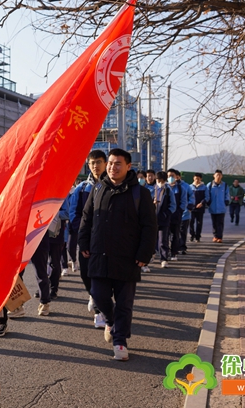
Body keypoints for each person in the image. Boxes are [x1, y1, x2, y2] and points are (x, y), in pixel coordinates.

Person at [78, 148, 158, 361]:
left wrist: (144, 253)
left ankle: (120, 341)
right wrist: (83, 242)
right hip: (99, 255)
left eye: (118, 164)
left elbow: (149, 227)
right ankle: (111, 321)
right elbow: (87, 218)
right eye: (111, 163)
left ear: (128, 167)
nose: (113, 167)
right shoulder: (97, 189)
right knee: (98, 294)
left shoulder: (140, 194)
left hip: (127, 258)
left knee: (124, 303)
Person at [68, 150, 108, 326]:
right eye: (92, 163)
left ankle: (100, 312)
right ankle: (93, 295)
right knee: (86, 273)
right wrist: (84, 233)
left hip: (108, 241)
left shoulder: (112, 186)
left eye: (99, 162)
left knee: (103, 276)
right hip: (87, 239)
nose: (95, 166)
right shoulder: (82, 188)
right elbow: (74, 214)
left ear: (105, 163)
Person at [154, 171, 176, 268]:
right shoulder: (152, 190)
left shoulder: (168, 190)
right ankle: (151, 255)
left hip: (164, 219)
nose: (159, 182)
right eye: (158, 180)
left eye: (161, 180)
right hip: (153, 219)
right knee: (151, 239)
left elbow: (173, 205)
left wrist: (166, 214)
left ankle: (164, 259)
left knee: (163, 240)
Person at [168, 169, 192, 255]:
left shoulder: (183, 188)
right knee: (165, 234)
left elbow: (186, 200)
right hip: (166, 215)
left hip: (180, 214)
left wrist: (182, 210)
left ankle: (180, 248)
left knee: (178, 232)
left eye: (173, 176)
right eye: (169, 176)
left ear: (177, 177)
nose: (171, 178)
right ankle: (166, 251)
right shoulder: (164, 188)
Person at [207, 170, 229, 242]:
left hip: (221, 207)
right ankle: (215, 236)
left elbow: (227, 194)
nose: (218, 176)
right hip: (212, 207)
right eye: (217, 175)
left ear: (222, 176)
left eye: (220, 175)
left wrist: (226, 201)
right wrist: (207, 203)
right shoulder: (210, 185)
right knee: (214, 223)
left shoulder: (225, 185)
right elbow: (207, 195)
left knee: (220, 223)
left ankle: (220, 237)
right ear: (214, 175)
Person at [189, 173, 208, 243]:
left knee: (199, 223)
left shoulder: (204, 187)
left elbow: (207, 197)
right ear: (193, 178)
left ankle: (198, 236)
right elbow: (187, 196)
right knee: (191, 222)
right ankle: (192, 235)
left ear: (201, 179)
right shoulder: (190, 187)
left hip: (200, 208)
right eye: (196, 178)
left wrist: (202, 203)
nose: (197, 179)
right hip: (192, 208)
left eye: (198, 178)